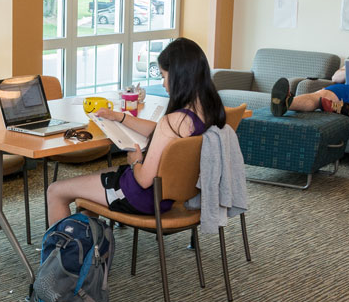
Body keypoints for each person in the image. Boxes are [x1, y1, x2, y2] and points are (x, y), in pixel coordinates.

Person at [47, 37, 227, 222]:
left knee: (56, 190)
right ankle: (88, 244)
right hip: (171, 194)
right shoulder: (207, 112)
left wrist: (135, 162)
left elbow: (144, 180)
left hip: (141, 197)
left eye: (164, 76)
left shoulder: (172, 122)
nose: (164, 83)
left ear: (179, 76)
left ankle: (61, 249)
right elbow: (160, 132)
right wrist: (120, 117)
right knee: (92, 183)